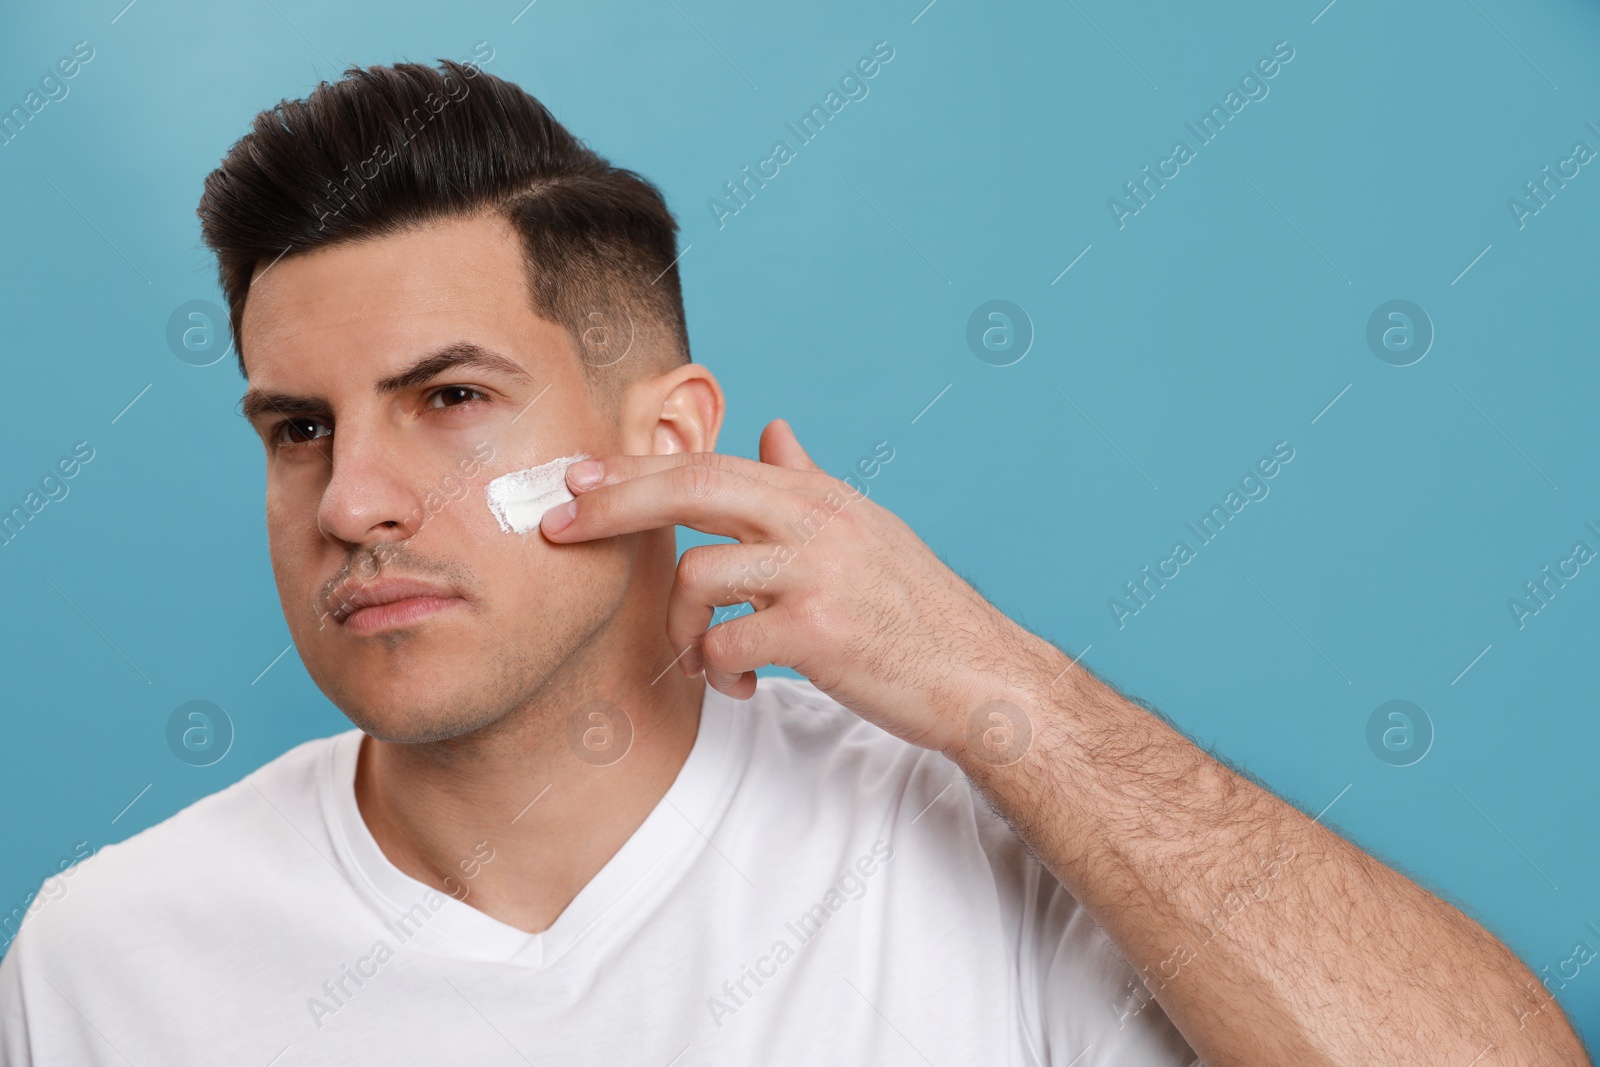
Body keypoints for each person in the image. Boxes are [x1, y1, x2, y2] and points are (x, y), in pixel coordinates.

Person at [0, 57, 1587, 1067]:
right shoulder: (110, 953)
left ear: (663, 439)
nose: (352, 502)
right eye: (296, 429)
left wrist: (999, 693)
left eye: (451, 400)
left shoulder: (969, 853)